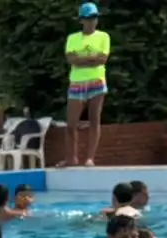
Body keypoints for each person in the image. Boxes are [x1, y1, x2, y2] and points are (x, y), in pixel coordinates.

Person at [63, 2, 110, 167]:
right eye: (88, 18)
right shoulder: (73, 38)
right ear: (81, 20)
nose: (92, 21)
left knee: (94, 119)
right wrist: (92, 59)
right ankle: (72, 158)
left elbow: (102, 59)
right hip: (77, 82)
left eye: (94, 18)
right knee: (71, 124)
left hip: (96, 81)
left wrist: (81, 60)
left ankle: (90, 158)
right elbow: (71, 59)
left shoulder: (103, 37)